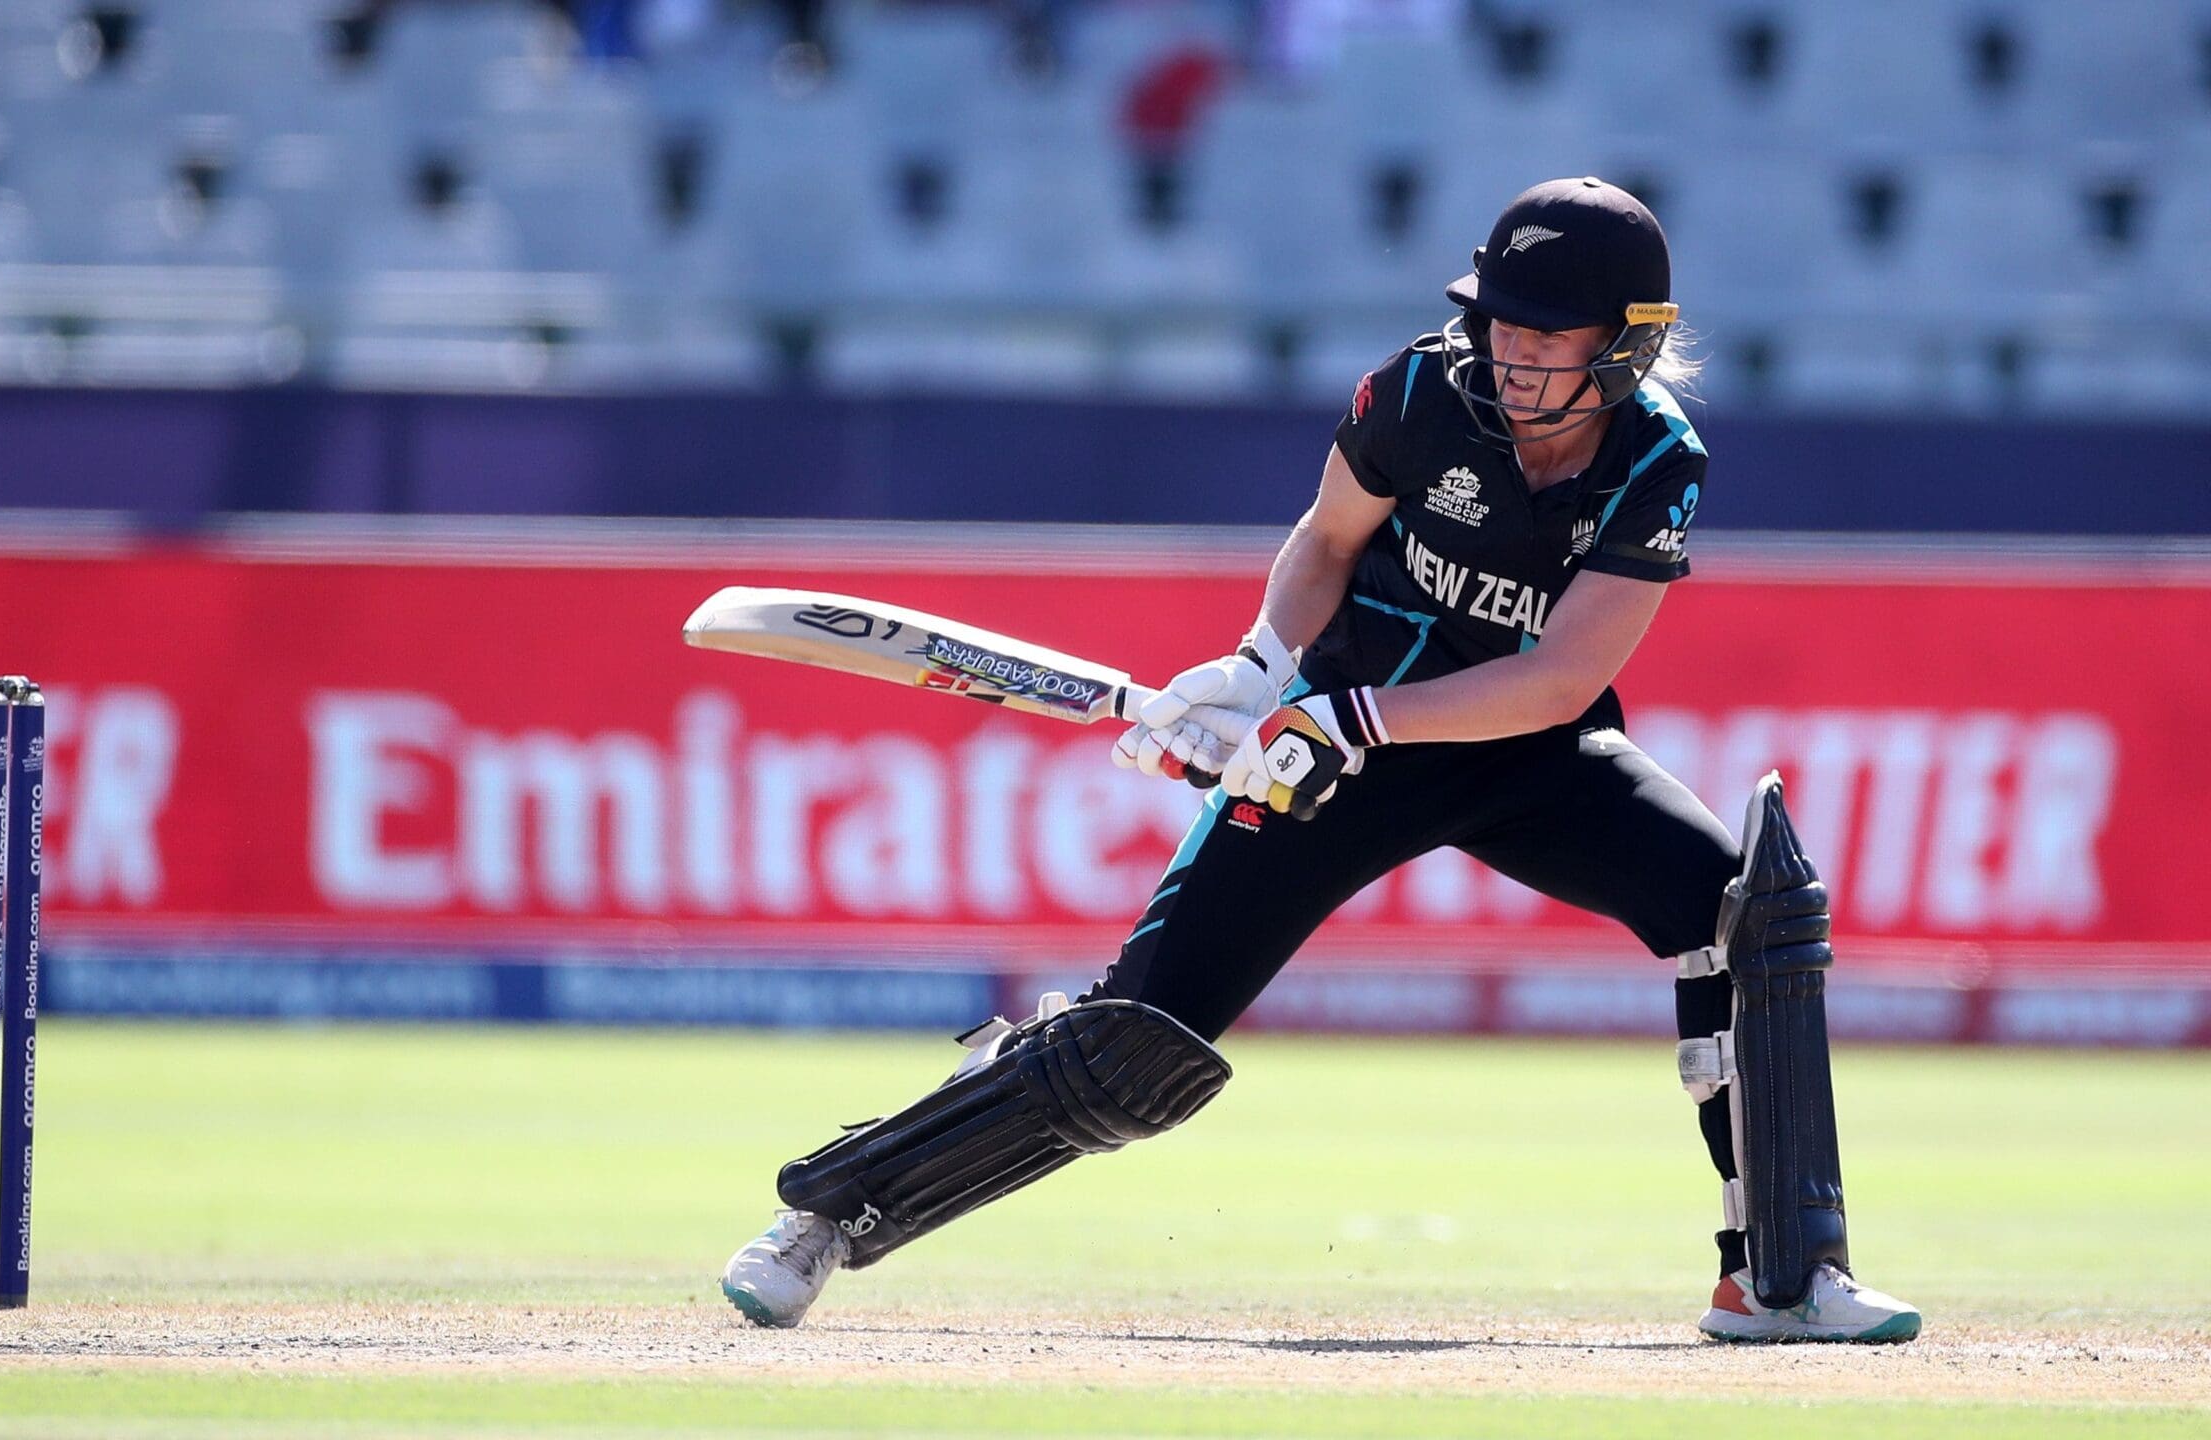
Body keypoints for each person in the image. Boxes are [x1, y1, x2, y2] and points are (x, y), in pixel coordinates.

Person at [720, 176, 1922, 1345]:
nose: (1511, 353)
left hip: (1519, 746)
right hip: (1331, 753)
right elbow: (1326, 538)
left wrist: (1355, 718)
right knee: (1132, 1039)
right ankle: (824, 1216)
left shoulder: (1658, 461)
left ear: (1624, 345)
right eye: (1499, 321)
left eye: (1547, 334)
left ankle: (1780, 1278)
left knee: (1743, 911)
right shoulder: (1416, 392)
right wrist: (1255, 666)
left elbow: (1557, 680)